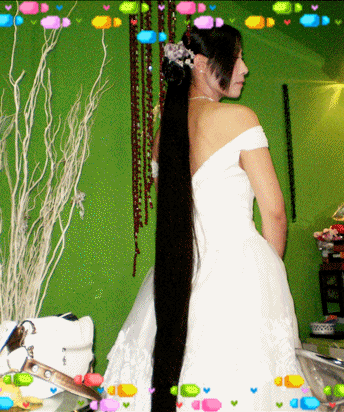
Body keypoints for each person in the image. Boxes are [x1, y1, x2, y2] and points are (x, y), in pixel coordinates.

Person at [103, 24, 317, 411]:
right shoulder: (239, 118)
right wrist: (266, 275)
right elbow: (274, 213)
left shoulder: (163, 135)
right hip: (239, 267)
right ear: (201, 64)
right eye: (236, 58)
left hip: (177, 273)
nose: (244, 68)